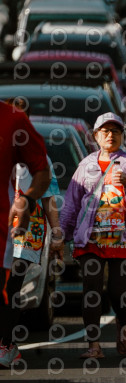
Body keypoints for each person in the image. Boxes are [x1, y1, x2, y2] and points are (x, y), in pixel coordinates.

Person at [60, 113, 126, 358]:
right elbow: (71, 204)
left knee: (117, 291)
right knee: (91, 289)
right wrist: (61, 236)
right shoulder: (85, 165)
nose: (110, 135)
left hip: (125, 239)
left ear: (122, 135)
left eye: (115, 131)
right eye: (105, 131)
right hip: (91, 238)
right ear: (96, 136)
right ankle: (93, 345)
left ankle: (123, 324)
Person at [0, 100, 50, 367]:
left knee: (11, 287)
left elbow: (45, 180)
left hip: (18, 231)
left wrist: (28, 201)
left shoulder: (14, 122)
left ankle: (5, 343)